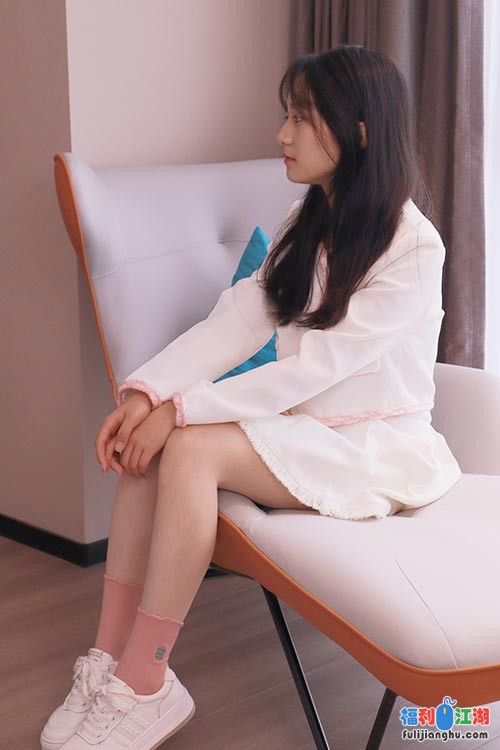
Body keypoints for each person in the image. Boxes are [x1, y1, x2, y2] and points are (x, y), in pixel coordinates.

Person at [41, 44, 462, 749]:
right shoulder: (307, 220)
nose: (281, 134)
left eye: (301, 117)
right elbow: (235, 321)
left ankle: (147, 682)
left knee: (189, 447)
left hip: (372, 451)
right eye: (286, 115)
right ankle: (110, 660)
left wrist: (181, 410)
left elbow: (314, 369)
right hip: (303, 434)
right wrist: (147, 395)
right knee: (154, 441)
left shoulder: (414, 247)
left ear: (359, 129)